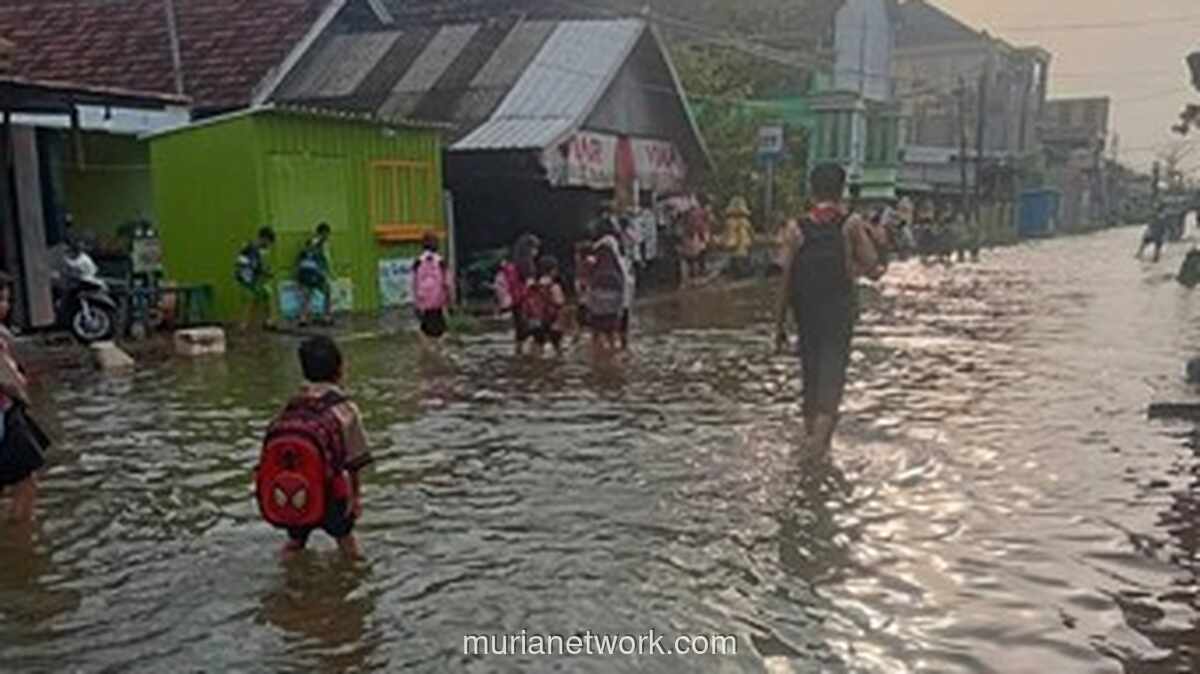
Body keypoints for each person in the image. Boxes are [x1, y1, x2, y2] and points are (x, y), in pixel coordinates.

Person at [775, 163, 885, 452]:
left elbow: (783, 277)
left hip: (805, 314)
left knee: (810, 378)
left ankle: (811, 446)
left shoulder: (794, 228)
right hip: (838, 313)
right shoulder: (850, 224)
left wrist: (778, 325)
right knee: (832, 380)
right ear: (841, 190)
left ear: (811, 190)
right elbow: (874, 268)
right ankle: (816, 455)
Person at [260, 336, 372, 561]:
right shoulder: (345, 409)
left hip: (298, 493)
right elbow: (355, 461)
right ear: (340, 369)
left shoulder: (292, 406)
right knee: (347, 544)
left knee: (295, 544)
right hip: (333, 493)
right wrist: (356, 499)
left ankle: (287, 581)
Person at [0, 273, 44, 523]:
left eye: (6, 300)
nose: (5, 306)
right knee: (26, 482)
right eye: (0, 299)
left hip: (8, 413)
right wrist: (21, 389)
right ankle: (21, 536)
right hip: (5, 413)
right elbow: (10, 382)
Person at [588, 224, 627, 357]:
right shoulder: (617, 267)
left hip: (597, 306)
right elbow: (623, 288)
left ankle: (597, 357)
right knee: (611, 334)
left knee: (596, 332)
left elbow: (590, 287)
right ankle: (613, 356)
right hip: (613, 306)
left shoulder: (595, 265)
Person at [521, 255, 567, 356]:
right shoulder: (554, 286)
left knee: (538, 348)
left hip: (535, 321)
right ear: (553, 270)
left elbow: (525, 302)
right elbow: (559, 303)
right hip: (552, 321)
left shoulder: (532, 285)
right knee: (558, 350)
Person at [411, 233, 451, 348]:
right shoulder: (441, 262)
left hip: (423, 303)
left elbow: (414, 284)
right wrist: (449, 301)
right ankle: (439, 355)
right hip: (438, 302)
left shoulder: (417, 262)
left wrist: (416, 304)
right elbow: (447, 283)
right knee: (442, 332)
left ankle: (428, 355)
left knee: (424, 331)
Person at [235, 226, 276, 330]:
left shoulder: (260, 250)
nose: (268, 245)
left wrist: (265, 272)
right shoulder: (249, 247)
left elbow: (260, 265)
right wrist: (252, 272)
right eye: (268, 242)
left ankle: (267, 320)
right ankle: (244, 323)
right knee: (250, 298)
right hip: (247, 277)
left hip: (254, 277)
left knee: (266, 294)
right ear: (263, 238)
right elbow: (241, 263)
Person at [507, 234, 541, 355]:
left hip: (516, 301)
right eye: (535, 248)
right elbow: (530, 285)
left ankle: (518, 354)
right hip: (527, 302)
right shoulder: (528, 266)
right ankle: (536, 358)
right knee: (537, 333)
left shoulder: (513, 264)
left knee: (520, 332)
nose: (536, 252)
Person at [297, 222, 334, 326]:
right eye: (326, 234)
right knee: (323, 291)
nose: (327, 236)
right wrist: (325, 272)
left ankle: (303, 318)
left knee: (308, 295)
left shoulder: (312, 242)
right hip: (312, 271)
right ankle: (325, 316)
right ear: (323, 233)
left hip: (307, 271)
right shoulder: (317, 243)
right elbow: (320, 258)